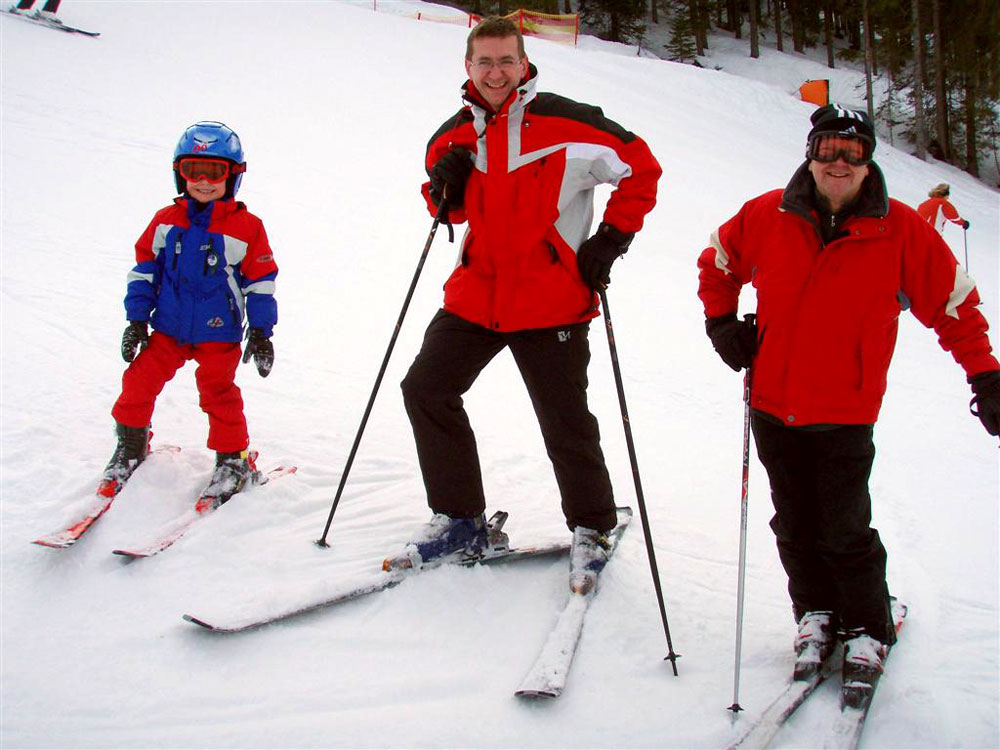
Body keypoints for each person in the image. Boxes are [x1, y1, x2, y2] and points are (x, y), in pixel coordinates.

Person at [697, 104, 1000, 701]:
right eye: (829, 149)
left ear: (869, 161)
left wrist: (986, 376)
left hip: (845, 407)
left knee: (843, 527)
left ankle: (867, 627)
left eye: (853, 152)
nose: (839, 163)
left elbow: (955, 306)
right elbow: (718, 261)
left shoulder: (903, 228)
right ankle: (814, 613)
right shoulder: (768, 213)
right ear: (811, 153)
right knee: (793, 521)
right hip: (773, 403)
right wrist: (721, 324)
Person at [391, 16, 660, 593]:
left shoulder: (572, 123)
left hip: (552, 300)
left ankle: (593, 525)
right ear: (468, 67)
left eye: (506, 61)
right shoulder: (451, 136)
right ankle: (461, 520)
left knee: (564, 421)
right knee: (427, 390)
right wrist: (445, 186)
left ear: (524, 63)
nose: (495, 72)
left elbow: (642, 168)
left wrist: (612, 238)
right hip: (475, 295)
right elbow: (448, 210)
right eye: (484, 62)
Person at [102, 121, 278, 508]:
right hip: (167, 329)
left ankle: (234, 461)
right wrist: (136, 320)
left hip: (219, 334)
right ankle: (131, 446)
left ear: (232, 176)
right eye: (191, 170)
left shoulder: (247, 228)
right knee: (137, 383)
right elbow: (144, 270)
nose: (202, 180)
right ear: (178, 173)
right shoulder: (166, 220)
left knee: (218, 395)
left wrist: (262, 331)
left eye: (214, 171)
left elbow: (261, 281)